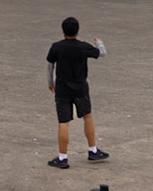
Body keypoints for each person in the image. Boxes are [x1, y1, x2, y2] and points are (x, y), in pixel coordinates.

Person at [44, 16, 108, 169]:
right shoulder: (83, 47)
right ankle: (93, 149)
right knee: (87, 117)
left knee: (63, 122)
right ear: (77, 31)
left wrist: (50, 83)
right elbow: (102, 53)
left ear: (63, 30)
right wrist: (99, 42)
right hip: (80, 88)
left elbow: (49, 66)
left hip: (62, 89)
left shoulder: (56, 47)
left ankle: (62, 157)